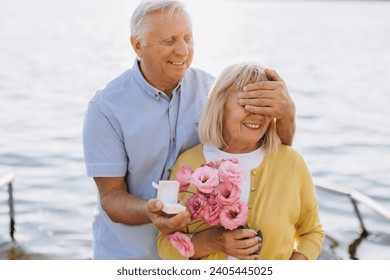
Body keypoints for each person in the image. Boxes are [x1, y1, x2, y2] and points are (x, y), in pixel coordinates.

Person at [83, 0, 296, 260]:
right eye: (169, 41)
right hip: (127, 257)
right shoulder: (106, 108)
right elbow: (111, 197)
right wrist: (150, 211)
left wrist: (286, 116)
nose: (183, 50)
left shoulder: (212, 90)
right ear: (138, 45)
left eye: (188, 38)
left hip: (197, 258)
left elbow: (268, 155)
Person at [157, 62, 324, 260]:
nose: (256, 113)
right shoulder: (188, 163)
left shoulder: (291, 162)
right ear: (220, 106)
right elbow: (164, 246)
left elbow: (312, 232)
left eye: (264, 105)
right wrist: (213, 241)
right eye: (246, 103)